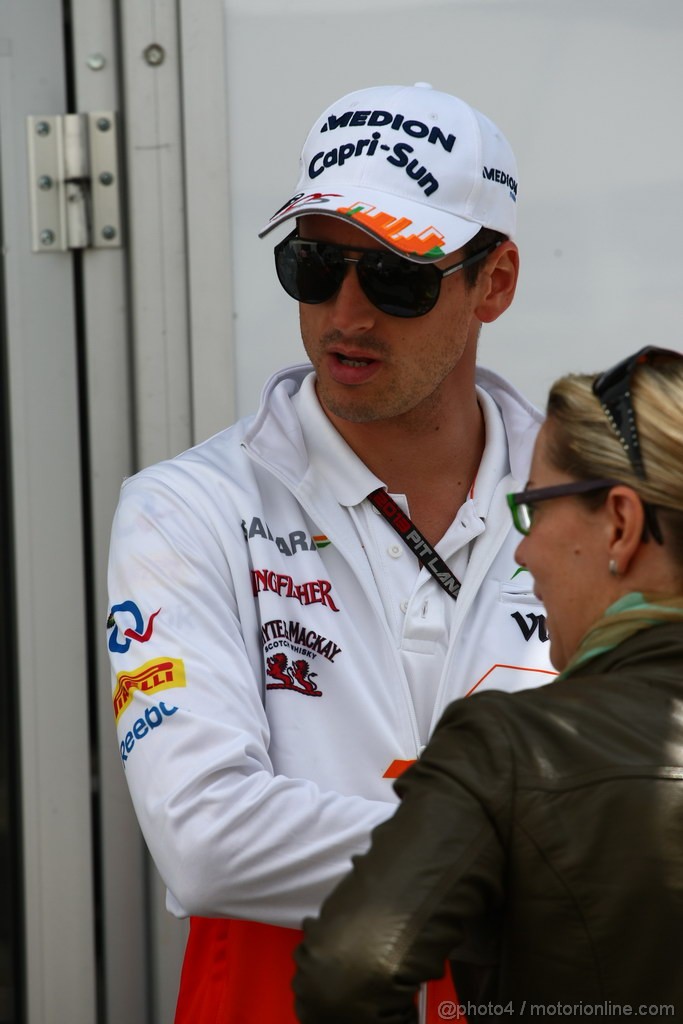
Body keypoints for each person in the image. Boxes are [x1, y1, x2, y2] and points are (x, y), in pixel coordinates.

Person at [106, 82, 555, 1024]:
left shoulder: (598, 507)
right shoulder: (188, 506)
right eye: (314, 266)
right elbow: (206, 842)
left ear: (495, 283)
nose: (344, 315)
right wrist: (542, 851)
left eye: (395, 275)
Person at [292, 345, 683, 1024]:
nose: (522, 550)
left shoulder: (508, 748)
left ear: (619, 523)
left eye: (530, 507)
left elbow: (350, 973)